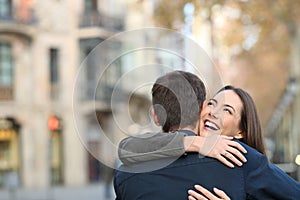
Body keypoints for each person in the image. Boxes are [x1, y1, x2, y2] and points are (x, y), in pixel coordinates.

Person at [114, 71, 300, 199]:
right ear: (203, 107)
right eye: (212, 104)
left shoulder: (126, 174)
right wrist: (193, 142)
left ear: (155, 116)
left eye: (227, 111)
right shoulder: (244, 164)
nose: (214, 112)